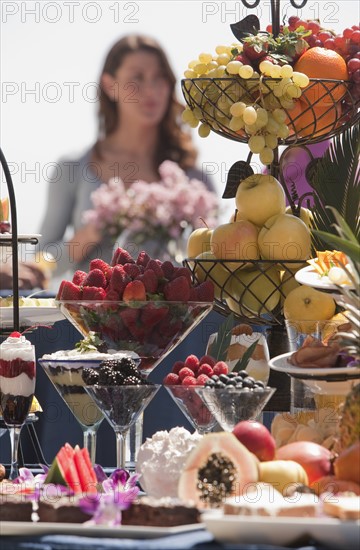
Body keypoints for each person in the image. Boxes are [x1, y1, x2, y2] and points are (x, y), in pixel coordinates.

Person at [37, 34, 218, 283]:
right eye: (137, 78)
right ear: (110, 85)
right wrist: (92, 231)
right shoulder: (71, 168)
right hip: (92, 318)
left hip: (175, 320)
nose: (151, 89)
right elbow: (42, 262)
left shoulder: (195, 180)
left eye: (160, 77)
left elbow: (214, 269)